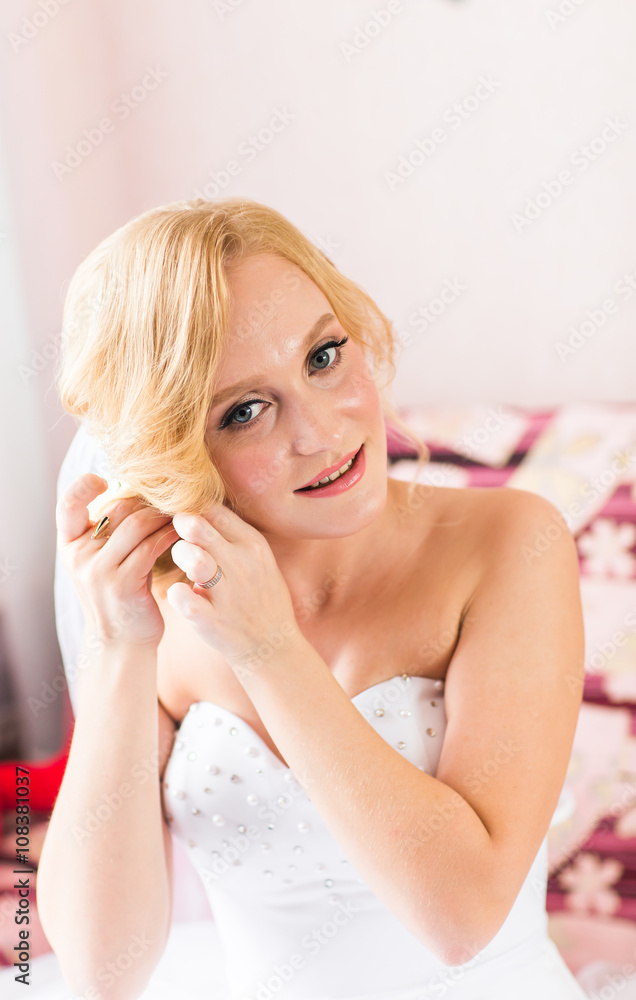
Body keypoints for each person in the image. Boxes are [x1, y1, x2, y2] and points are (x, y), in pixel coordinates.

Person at [39, 197, 589, 1000]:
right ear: (174, 450)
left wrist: (269, 652)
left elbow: (461, 919)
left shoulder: (509, 543)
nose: (324, 431)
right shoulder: (163, 624)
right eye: (246, 411)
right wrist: (118, 649)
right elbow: (99, 972)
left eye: (324, 356)